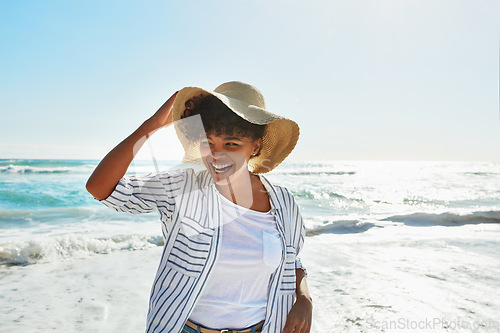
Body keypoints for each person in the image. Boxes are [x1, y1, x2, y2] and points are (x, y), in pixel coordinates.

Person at [86, 81, 312, 333]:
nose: (216, 156)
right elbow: (100, 188)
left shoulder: (283, 202)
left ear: (255, 146)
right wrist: (150, 126)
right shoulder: (183, 187)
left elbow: (292, 258)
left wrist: (304, 298)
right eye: (208, 143)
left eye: (231, 144)